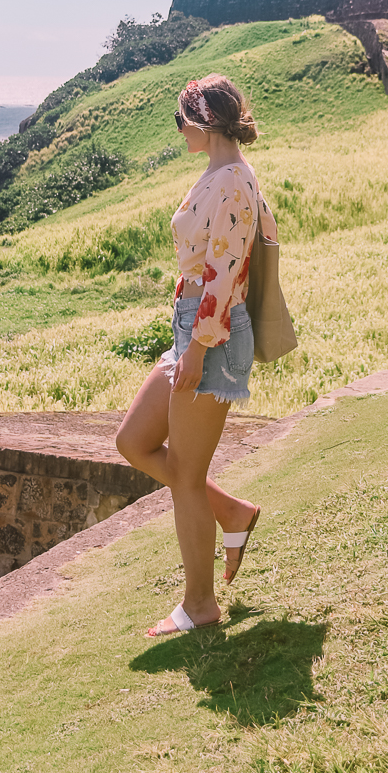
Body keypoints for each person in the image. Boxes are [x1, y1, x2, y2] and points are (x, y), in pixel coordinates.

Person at [115, 73, 278, 636]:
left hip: (213, 332)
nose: (179, 129)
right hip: (194, 328)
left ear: (204, 121)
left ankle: (200, 603)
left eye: (182, 118)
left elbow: (226, 272)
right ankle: (232, 511)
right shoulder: (218, 174)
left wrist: (199, 345)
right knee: (133, 441)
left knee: (185, 472)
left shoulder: (232, 180)